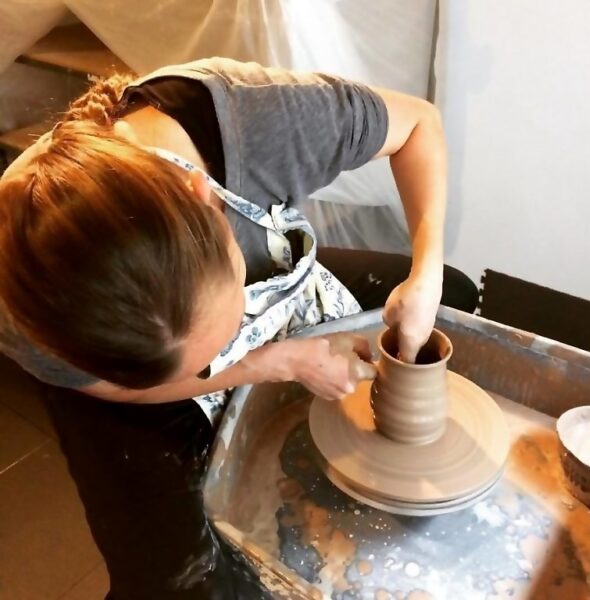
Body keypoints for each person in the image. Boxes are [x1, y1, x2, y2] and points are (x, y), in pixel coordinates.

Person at [0, 58, 477, 599]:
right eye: (216, 349)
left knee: (456, 294)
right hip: (120, 379)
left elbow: (418, 124)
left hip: (235, 293)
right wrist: (269, 363)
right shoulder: (24, 310)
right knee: (176, 582)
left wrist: (427, 271)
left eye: (229, 330)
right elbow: (117, 387)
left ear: (204, 197)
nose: (232, 348)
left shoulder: (256, 124)